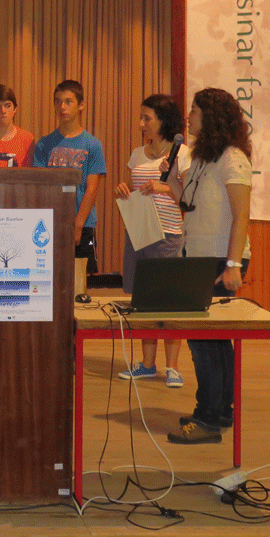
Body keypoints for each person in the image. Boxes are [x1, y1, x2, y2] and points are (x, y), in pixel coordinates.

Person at [166, 88, 252, 445]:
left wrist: (232, 265)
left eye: (195, 110)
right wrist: (171, 177)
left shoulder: (233, 158)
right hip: (199, 257)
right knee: (214, 342)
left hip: (221, 260)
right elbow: (187, 204)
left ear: (212, 116)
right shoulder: (201, 157)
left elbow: (241, 215)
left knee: (204, 342)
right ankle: (222, 410)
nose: (188, 116)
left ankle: (207, 419)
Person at [113, 94, 190, 389]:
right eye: (141, 117)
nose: (141, 123)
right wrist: (123, 190)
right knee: (142, 301)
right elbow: (132, 191)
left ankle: (173, 366)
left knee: (169, 302)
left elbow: (187, 198)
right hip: (139, 233)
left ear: (163, 120)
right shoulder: (137, 153)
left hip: (169, 235)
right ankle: (147, 364)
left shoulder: (181, 154)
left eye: (147, 118)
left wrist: (164, 186)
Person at [32, 79, 106, 274]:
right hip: (50, 223)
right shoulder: (44, 144)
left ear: (81, 105)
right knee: (51, 278)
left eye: (68, 101)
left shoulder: (92, 144)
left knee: (81, 280)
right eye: (57, 101)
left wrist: (78, 223)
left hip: (83, 223)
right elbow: (39, 186)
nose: (61, 107)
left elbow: (92, 187)